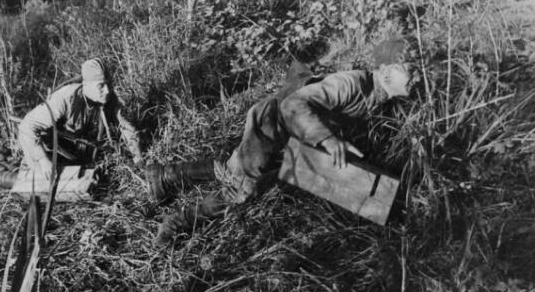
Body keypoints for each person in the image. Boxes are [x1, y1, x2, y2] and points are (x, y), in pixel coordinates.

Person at [148, 39, 420, 245]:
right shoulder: (353, 84)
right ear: (385, 73)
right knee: (241, 188)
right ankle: (176, 222)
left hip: (293, 135)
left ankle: (166, 175)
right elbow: (293, 104)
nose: (416, 77)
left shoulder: (378, 98)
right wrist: (329, 139)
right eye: (408, 70)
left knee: (235, 171)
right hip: (271, 125)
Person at [0, 58, 142, 189]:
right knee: (46, 185)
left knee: (89, 181)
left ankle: (3, 161)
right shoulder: (65, 99)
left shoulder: (108, 97)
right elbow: (27, 126)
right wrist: (42, 160)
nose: (107, 90)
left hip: (72, 150)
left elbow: (126, 128)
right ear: (86, 85)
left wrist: (138, 159)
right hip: (47, 147)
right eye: (101, 85)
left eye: (109, 84)